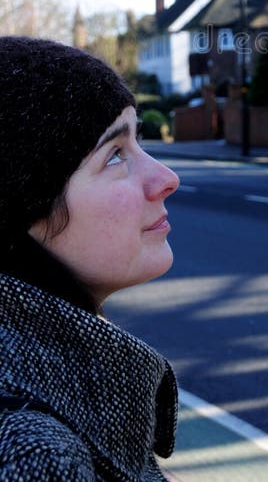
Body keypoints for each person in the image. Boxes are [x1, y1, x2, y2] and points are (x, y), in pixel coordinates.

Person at [0, 36, 180, 480]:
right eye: (114, 155)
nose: (166, 178)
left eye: (137, 140)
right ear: (22, 210)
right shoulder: (36, 454)